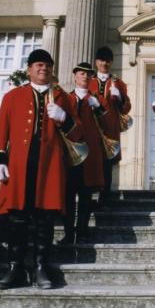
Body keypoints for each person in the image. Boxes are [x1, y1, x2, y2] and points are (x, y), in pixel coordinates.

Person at [0, 49, 82, 289]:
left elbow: (78, 135)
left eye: (48, 65)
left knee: (45, 218)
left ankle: (41, 267)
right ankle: (15, 268)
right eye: (39, 65)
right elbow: (2, 130)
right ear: (30, 68)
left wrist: (65, 118)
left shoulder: (64, 98)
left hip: (49, 165)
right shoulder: (13, 96)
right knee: (16, 217)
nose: (44, 69)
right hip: (19, 165)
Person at [58, 62, 107, 245]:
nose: (85, 77)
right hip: (70, 154)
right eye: (81, 73)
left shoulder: (97, 99)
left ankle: (83, 231)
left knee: (86, 196)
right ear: (75, 76)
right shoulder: (66, 98)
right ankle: (69, 233)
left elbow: (109, 124)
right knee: (68, 195)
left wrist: (99, 108)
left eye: (88, 74)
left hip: (90, 154)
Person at [88, 46, 131, 196]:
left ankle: (104, 198)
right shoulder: (88, 81)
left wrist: (120, 98)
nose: (104, 63)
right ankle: (91, 196)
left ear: (111, 63)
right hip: (91, 128)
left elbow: (126, 109)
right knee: (91, 162)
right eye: (101, 60)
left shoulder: (118, 83)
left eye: (107, 61)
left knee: (107, 164)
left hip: (110, 128)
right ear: (96, 62)